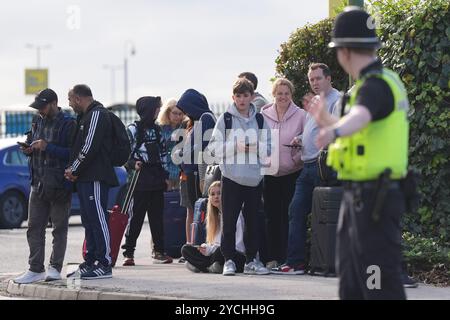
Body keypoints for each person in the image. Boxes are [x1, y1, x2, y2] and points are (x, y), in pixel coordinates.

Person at [309, 7, 409, 299]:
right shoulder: (372, 85)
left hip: (374, 199)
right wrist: (329, 123)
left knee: (376, 283)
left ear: (344, 52)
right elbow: (362, 129)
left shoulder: (374, 86)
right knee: (353, 282)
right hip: (361, 197)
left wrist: (334, 130)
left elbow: (362, 117)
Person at [271, 63, 341, 275]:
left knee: (322, 216)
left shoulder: (338, 100)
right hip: (307, 165)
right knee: (296, 210)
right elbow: (311, 129)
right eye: (311, 79)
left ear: (328, 78)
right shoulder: (316, 100)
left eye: (318, 78)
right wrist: (300, 139)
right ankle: (296, 263)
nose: (314, 83)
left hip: (324, 165)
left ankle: (324, 263)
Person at [207, 78, 270, 276]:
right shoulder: (225, 119)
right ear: (233, 97)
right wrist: (235, 146)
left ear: (252, 97)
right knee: (229, 221)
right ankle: (229, 261)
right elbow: (213, 149)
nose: (242, 100)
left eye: (245, 95)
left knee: (253, 222)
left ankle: (252, 260)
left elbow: (269, 148)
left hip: (253, 179)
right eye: (238, 96)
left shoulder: (260, 120)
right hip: (232, 178)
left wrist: (254, 147)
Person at [14, 89, 76, 284]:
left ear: (53, 103)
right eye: (38, 107)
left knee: (59, 229)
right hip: (37, 183)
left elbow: (73, 154)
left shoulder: (68, 124)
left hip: (59, 185)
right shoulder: (37, 120)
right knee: (34, 228)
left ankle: (55, 268)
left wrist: (47, 146)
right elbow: (34, 143)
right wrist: (29, 149)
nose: (40, 110)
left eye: (43, 106)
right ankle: (35, 269)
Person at [65, 84, 118, 280]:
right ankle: (92, 260)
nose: (69, 104)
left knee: (98, 218)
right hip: (85, 177)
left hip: (95, 176)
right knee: (89, 220)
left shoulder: (96, 114)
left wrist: (74, 168)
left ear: (78, 98)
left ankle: (104, 263)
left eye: (70, 100)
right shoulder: (85, 116)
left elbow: (89, 145)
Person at [260, 78, 306, 269]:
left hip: (292, 172)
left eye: (286, 93)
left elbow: (308, 136)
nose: (283, 97)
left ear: (291, 95)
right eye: (279, 93)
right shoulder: (263, 114)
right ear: (274, 94)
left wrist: (299, 139)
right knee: (271, 216)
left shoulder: (301, 114)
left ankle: (288, 257)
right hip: (269, 173)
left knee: (288, 215)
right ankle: (273, 257)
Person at [121, 96, 173, 266]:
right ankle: (128, 253)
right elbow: (122, 152)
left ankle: (159, 252)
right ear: (149, 110)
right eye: (156, 109)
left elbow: (164, 154)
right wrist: (131, 163)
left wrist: (166, 177)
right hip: (139, 179)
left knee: (157, 218)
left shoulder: (157, 130)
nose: (158, 111)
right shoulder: (133, 129)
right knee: (135, 217)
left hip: (157, 177)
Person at [175, 89, 216, 246]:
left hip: (198, 174)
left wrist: (182, 155)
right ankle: (193, 243)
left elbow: (202, 147)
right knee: (193, 210)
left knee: (199, 211)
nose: (185, 113)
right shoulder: (197, 121)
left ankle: (198, 243)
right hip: (190, 172)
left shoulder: (206, 118)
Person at [181, 181, 246, 273]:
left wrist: (210, 249)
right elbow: (212, 243)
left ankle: (202, 266)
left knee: (220, 252)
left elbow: (239, 246)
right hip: (215, 253)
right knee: (186, 249)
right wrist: (205, 247)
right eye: (212, 194)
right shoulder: (214, 217)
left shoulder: (236, 214)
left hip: (234, 254)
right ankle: (212, 266)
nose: (216, 196)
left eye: (219, 193)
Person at [156, 98, 186, 191]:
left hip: (180, 171)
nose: (177, 116)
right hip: (165, 172)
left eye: (180, 114)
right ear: (167, 113)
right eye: (174, 113)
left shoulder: (185, 128)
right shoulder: (160, 129)